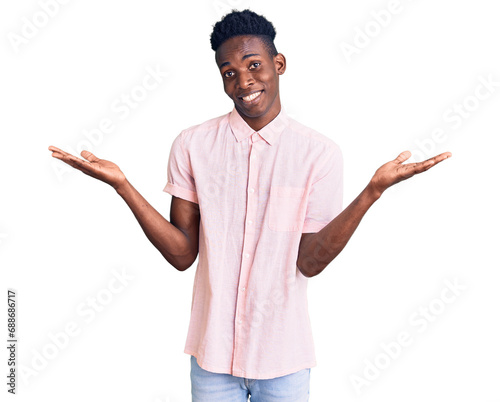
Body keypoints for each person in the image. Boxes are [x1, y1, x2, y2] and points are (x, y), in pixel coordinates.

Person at [48, 9, 451, 402]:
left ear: (279, 64)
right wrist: (123, 186)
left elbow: (309, 262)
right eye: (229, 72)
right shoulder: (192, 145)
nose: (243, 81)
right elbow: (183, 254)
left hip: (284, 360)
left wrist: (372, 193)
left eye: (254, 65)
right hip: (212, 359)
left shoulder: (319, 154)